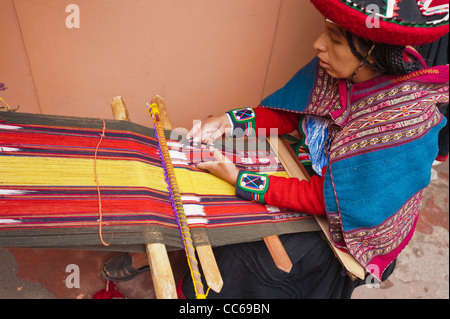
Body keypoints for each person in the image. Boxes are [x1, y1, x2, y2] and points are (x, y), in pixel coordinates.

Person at [103, 0, 449, 299]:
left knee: (251, 262)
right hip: (313, 169)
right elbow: (290, 113)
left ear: (372, 51)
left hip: (349, 220)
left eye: (335, 39)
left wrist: (240, 178)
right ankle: (164, 246)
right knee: (198, 149)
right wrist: (227, 121)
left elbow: (323, 198)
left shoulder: (403, 124)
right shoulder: (344, 69)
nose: (318, 45)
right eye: (324, 31)